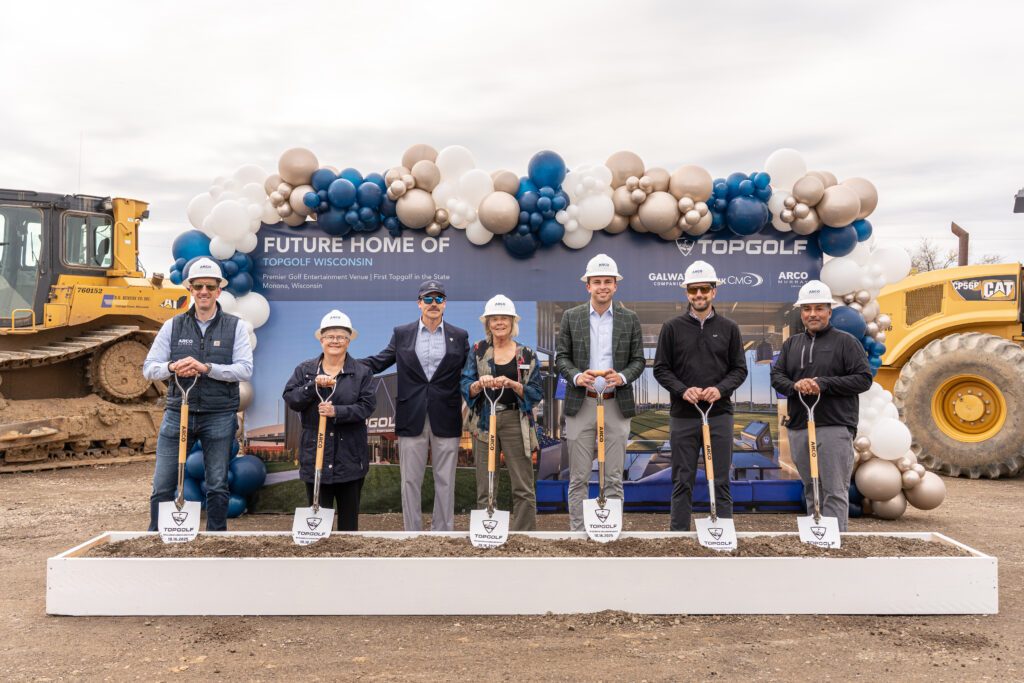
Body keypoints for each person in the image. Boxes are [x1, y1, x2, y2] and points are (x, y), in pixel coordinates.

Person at [142, 257, 253, 531]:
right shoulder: (173, 325)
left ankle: (216, 539)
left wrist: (207, 368)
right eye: (198, 286)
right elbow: (149, 368)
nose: (204, 291)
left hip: (219, 415)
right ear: (189, 288)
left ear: (219, 290)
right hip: (178, 411)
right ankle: (156, 537)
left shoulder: (235, 327)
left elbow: (244, 369)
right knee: (163, 483)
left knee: (217, 483)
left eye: (210, 286)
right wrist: (171, 366)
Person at [361, 280, 470, 531]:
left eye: (439, 299)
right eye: (428, 299)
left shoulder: (460, 335)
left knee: (446, 479)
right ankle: (413, 533)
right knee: (410, 479)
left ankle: (443, 532)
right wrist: (343, 364)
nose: (434, 304)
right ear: (419, 303)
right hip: (411, 415)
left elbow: (470, 371)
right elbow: (380, 361)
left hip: (447, 414)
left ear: (445, 304)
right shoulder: (402, 333)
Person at [770, 279, 872, 532]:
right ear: (801, 312)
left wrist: (822, 384)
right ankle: (817, 539)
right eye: (807, 309)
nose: (812, 314)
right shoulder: (792, 344)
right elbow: (777, 377)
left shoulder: (846, 342)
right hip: (799, 426)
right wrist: (795, 386)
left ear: (829, 310)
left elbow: (863, 379)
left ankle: (835, 547)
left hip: (834, 425)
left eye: (818, 308)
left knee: (834, 490)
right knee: (810, 486)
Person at [653, 261, 747, 532]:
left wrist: (720, 389)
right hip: (683, 416)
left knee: (720, 478)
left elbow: (739, 369)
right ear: (687, 293)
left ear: (713, 291)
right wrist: (683, 390)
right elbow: (661, 369)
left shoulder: (729, 328)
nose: (699, 295)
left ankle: (724, 534)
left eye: (704, 289)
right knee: (682, 478)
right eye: (693, 290)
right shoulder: (672, 327)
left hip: (719, 415)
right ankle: (679, 535)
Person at [555, 254, 645, 531]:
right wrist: (577, 376)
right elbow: (562, 358)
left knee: (614, 475)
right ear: (588, 286)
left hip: (616, 403)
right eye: (597, 282)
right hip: (581, 403)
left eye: (608, 281)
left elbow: (638, 361)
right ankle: (579, 532)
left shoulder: (630, 319)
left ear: (615, 285)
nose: (603, 286)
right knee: (579, 476)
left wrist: (621, 376)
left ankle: (610, 531)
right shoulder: (572, 317)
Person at [283, 310, 376, 530]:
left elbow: (367, 406)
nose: (335, 341)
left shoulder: (362, 372)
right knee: (318, 524)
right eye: (330, 336)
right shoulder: (305, 370)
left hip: (350, 458)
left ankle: (347, 561)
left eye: (341, 336)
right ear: (321, 339)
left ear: (349, 341)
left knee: (348, 524)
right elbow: (291, 398)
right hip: (316, 455)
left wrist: (337, 411)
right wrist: (312, 386)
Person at [461, 295, 544, 531]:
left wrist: (513, 384)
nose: (499, 323)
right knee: (486, 483)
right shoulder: (478, 350)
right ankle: (487, 533)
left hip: (515, 420)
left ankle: (523, 535)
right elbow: (466, 383)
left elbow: (536, 392)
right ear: (487, 323)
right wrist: (479, 384)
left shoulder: (526, 354)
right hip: (484, 422)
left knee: (523, 485)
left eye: (504, 319)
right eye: (494, 319)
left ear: (512, 322)